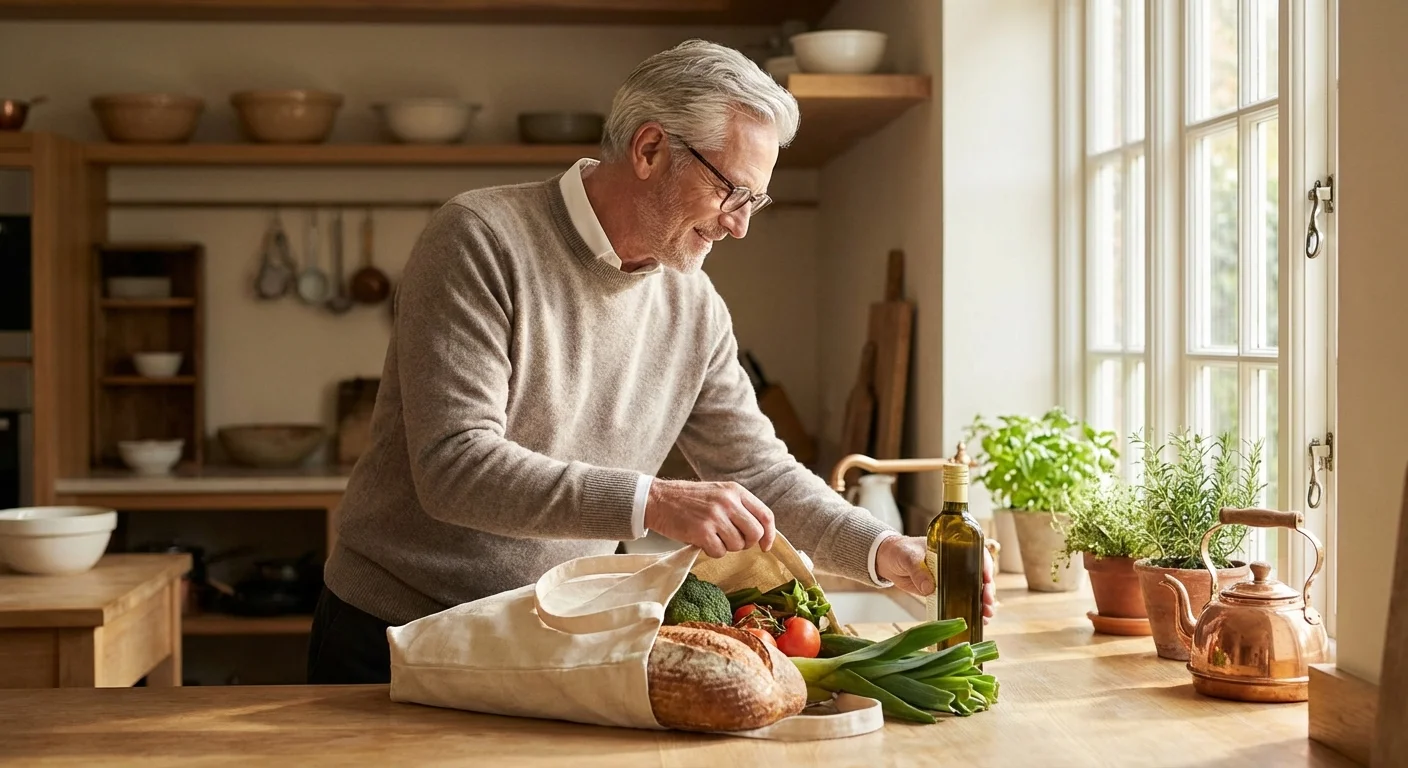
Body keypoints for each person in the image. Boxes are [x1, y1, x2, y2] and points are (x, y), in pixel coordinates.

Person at [307, 39, 996, 685]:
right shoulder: (481, 239)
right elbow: (455, 466)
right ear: (649, 149)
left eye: (755, 199)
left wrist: (886, 551)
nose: (740, 224)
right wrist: (655, 500)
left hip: (548, 634)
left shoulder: (693, 306)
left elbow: (759, 473)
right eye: (731, 191)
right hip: (396, 632)